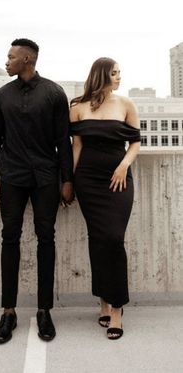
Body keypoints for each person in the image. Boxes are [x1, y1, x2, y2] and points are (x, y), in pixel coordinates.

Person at [0, 38, 73, 344]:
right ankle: (8, 312)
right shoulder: (2, 95)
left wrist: (67, 181)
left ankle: (44, 310)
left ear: (27, 60)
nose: (6, 61)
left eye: (11, 57)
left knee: (46, 239)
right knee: (9, 238)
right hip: (12, 177)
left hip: (47, 178)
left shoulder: (54, 93)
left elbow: (65, 141)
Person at [70, 57, 140, 340]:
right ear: (101, 75)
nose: (119, 77)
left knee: (113, 238)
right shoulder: (76, 108)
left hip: (118, 179)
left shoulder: (126, 104)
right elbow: (76, 147)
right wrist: (71, 182)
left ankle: (118, 309)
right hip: (87, 180)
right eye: (114, 73)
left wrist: (123, 165)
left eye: (120, 72)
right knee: (98, 240)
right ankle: (104, 302)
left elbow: (135, 142)